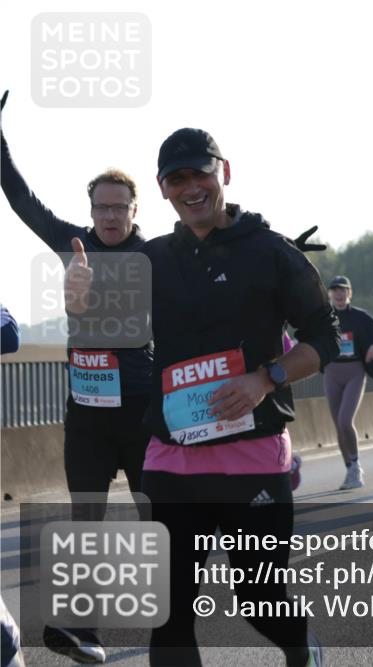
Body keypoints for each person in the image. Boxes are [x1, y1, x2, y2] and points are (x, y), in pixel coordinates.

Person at [138, 127, 336, 666]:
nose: (191, 187)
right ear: (163, 189)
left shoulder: (271, 252)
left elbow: (325, 339)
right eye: (177, 179)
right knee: (170, 614)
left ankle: (302, 647)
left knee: (261, 603)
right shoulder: (151, 258)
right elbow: (102, 324)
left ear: (224, 172)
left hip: (251, 459)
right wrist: (81, 296)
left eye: (200, 172)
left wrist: (265, 378)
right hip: (171, 460)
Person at [2, 90, 151, 663]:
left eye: (119, 208)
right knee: (85, 519)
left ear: (136, 211)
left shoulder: (159, 255)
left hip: (142, 411)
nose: (109, 217)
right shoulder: (73, 244)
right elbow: (21, 199)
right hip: (86, 414)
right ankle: (82, 630)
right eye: (101, 208)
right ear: (90, 211)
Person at [325, 275, 373, 490]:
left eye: (343, 290)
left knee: (346, 420)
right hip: (331, 371)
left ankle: (356, 466)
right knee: (338, 425)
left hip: (354, 370)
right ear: (329, 293)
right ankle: (349, 470)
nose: (338, 293)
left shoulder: (359, 317)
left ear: (349, 293)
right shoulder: (324, 317)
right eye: (335, 290)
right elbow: (308, 338)